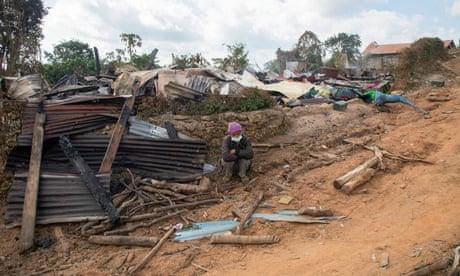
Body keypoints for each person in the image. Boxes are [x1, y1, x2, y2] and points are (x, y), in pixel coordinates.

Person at [360, 90, 429, 116]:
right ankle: (423, 111)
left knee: (379, 103)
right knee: (411, 104)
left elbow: (364, 95)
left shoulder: (372, 92)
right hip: (382, 96)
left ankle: (423, 111)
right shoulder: (399, 97)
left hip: (381, 96)